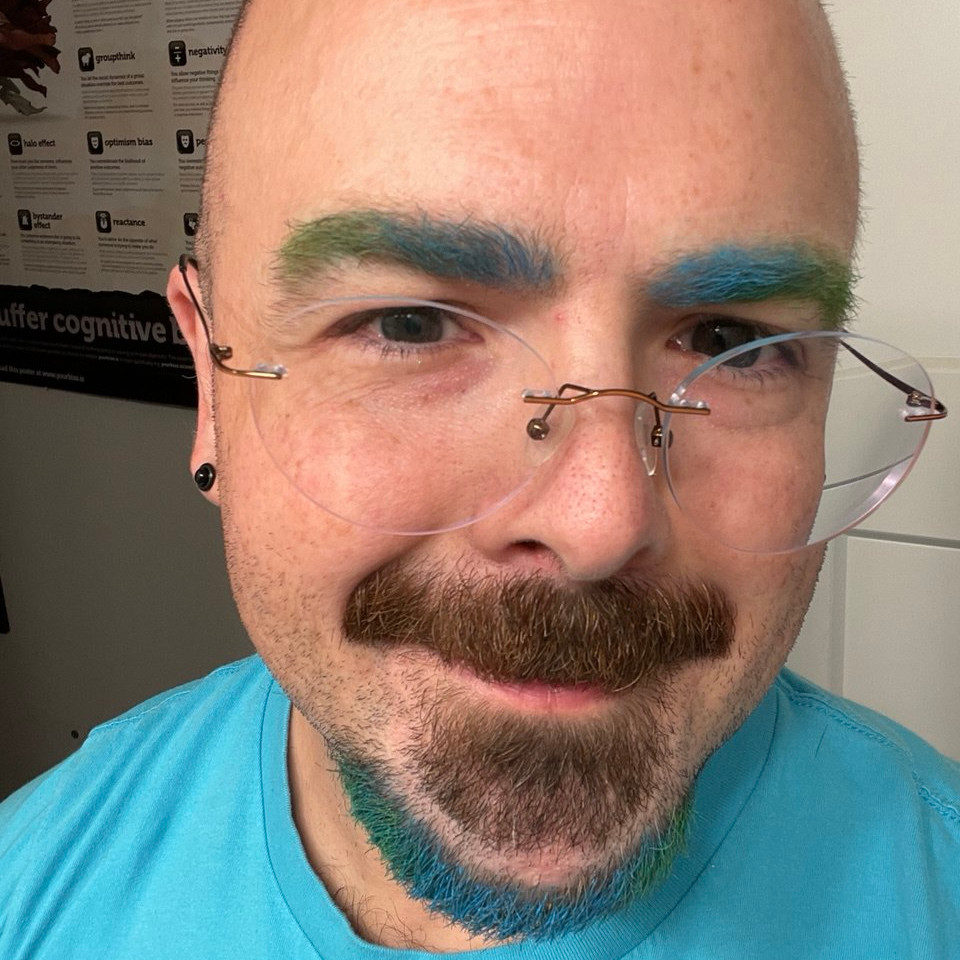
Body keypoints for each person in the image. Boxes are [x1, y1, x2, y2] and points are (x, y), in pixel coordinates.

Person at [1, 0, 957, 956]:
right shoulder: (32, 889)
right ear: (213, 389)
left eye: (728, 340)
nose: (599, 524)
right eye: (410, 324)